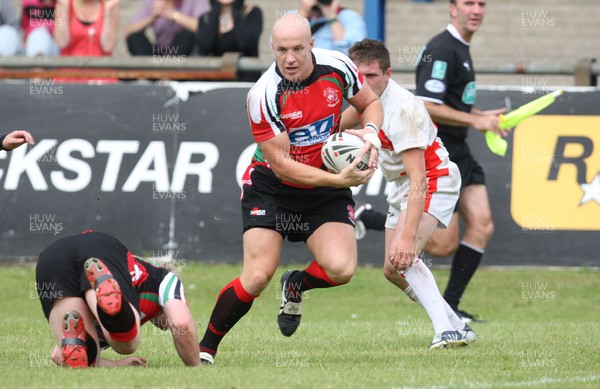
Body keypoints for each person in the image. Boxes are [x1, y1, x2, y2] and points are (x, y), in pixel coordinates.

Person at [197, 12, 383, 365]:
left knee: (341, 269)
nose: (290, 58)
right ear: (272, 48)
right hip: (273, 185)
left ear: (313, 44)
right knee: (255, 277)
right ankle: (205, 349)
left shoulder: (338, 66)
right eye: (281, 50)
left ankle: (297, 284)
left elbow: (370, 103)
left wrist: (370, 133)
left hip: (323, 183)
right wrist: (339, 180)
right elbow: (282, 166)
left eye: (298, 48)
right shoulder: (264, 93)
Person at [341, 39, 474, 349]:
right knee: (392, 269)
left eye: (372, 75)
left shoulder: (403, 109)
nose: (366, 83)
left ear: (388, 73)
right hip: (403, 184)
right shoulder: (361, 98)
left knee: (404, 254)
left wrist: (407, 236)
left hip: (432, 178)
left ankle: (446, 331)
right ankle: (456, 323)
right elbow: (335, 127)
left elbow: (419, 178)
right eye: (359, 76)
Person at [415, 0, 506, 322]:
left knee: (482, 224)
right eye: (469, 3)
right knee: (442, 245)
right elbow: (426, 105)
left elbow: (452, 104)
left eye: (482, 4)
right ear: (453, 8)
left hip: (460, 150)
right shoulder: (442, 49)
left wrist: (482, 116)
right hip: (440, 151)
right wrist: (475, 122)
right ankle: (372, 218)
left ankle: (450, 305)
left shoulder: (460, 47)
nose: (477, 9)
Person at [36, 230, 201, 367]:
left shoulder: (106, 320)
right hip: (99, 249)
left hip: (51, 258)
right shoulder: (163, 278)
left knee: (85, 358)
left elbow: (59, 356)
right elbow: (182, 325)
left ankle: (105, 292)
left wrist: (115, 365)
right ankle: (107, 291)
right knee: (127, 344)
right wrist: (197, 368)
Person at [196, 0, 263, 81]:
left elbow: (245, 43)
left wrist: (236, 11)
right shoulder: (205, 18)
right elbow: (205, 45)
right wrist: (215, 11)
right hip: (215, 81)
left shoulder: (253, 13)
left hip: (246, 80)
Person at [125, 0, 209, 57]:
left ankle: (169, 71)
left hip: (185, 54)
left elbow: (205, 28)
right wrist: (151, 18)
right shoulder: (154, 2)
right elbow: (128, 31)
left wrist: (173, 15)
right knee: (134, 37)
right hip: (160, 52)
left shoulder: (195, 1)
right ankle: (155, 72)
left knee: (187, 35)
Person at [298, 0, 365, 55]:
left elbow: (353, 53)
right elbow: (290, 43)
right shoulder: (295, 16)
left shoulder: (350, 18)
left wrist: (331, 16)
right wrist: (303, 14)